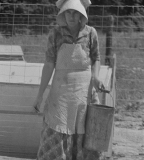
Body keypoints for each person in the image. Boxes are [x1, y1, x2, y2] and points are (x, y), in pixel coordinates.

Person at [33, 0, 108, 159]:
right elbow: (48, 65)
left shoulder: (90, 33)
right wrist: (40, 95)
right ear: (63, 14)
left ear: (82, 14)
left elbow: (96, 59)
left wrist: (95, 77)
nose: (72, 16)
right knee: (57, 127)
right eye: (68, 12)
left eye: (75, 12)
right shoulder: (55, 34)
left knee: (85, 128)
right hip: (60, 95)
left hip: (84, 93)